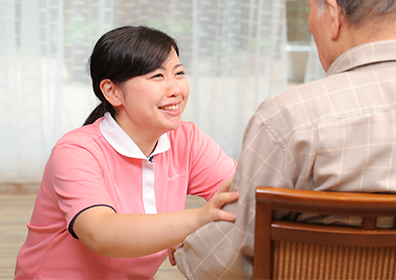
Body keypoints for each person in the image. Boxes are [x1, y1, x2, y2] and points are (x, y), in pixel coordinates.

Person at [173, 0, 396, 278]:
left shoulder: (290, 117)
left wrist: (185, 245)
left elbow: (234, 256)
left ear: (334, 15)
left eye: (311, 9)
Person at [14, 25, 238, 279]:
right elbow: (102, 234)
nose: (176, 89)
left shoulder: (187, 140)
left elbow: (243, 197)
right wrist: (198, 220)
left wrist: (191, 231)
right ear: (112, 91)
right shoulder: (76, 150)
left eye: (179, 73)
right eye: (157, 76)